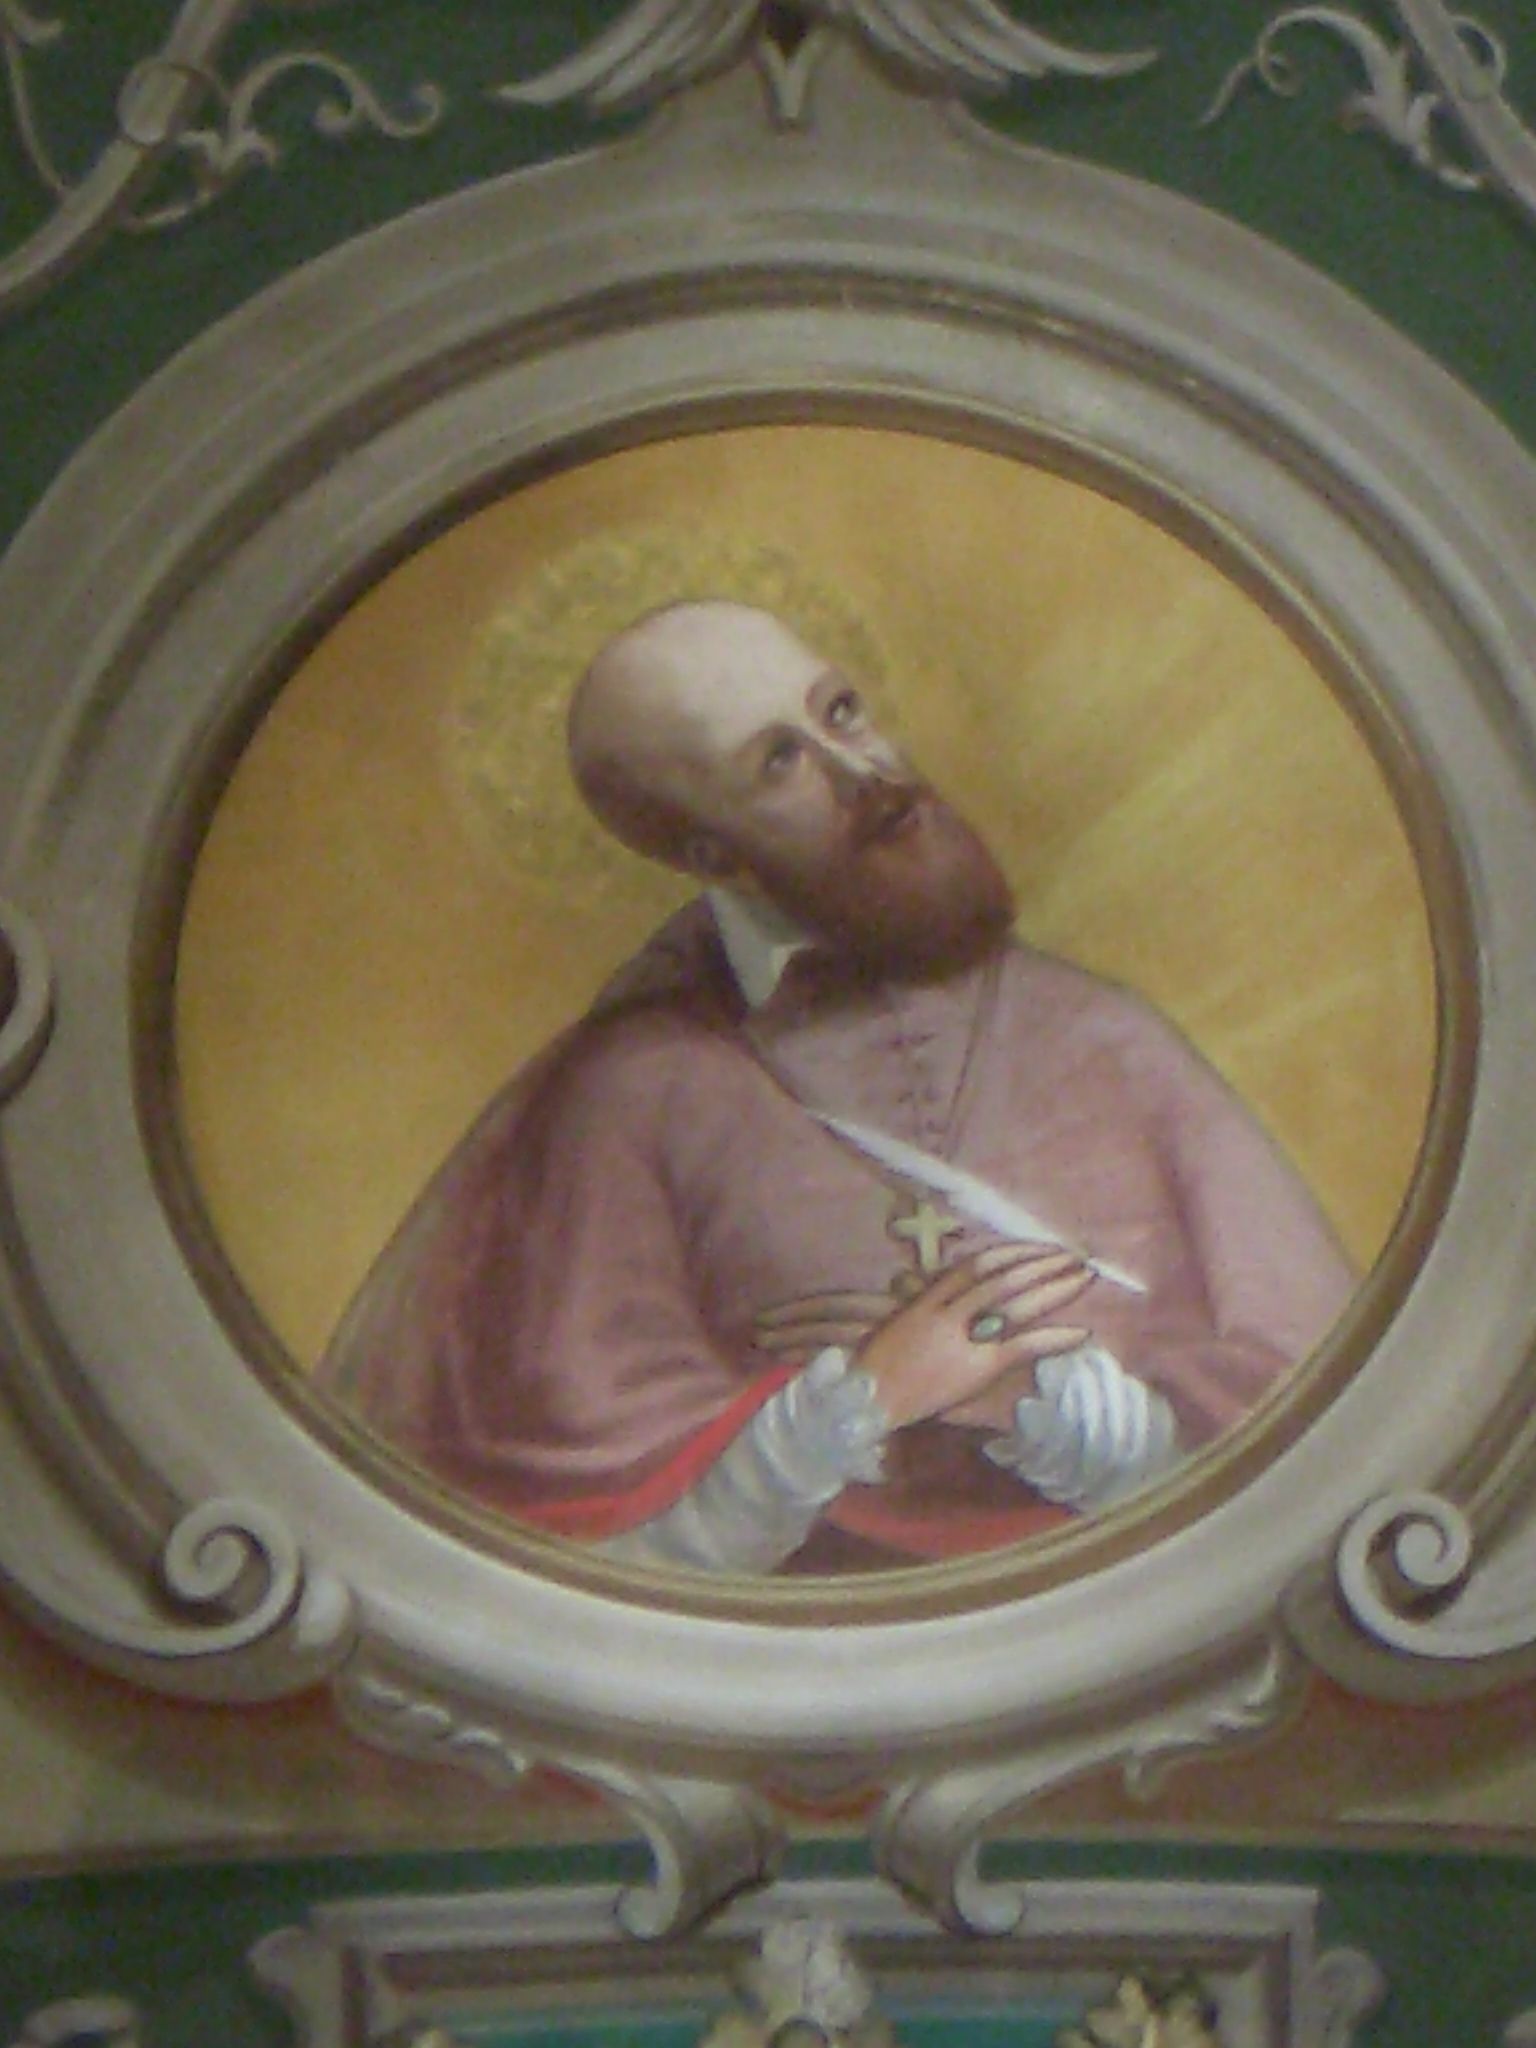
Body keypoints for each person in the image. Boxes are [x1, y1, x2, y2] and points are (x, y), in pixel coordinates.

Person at [319, 601, 1354, 1572]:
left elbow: (1321, 1433)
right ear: (708, 849)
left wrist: (1054, 1408)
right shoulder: (627, 1095)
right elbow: (567, 1555)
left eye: (842, 712)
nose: (865, 772)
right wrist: (858, 1403)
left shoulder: (1109, 1037)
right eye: (780, 760)